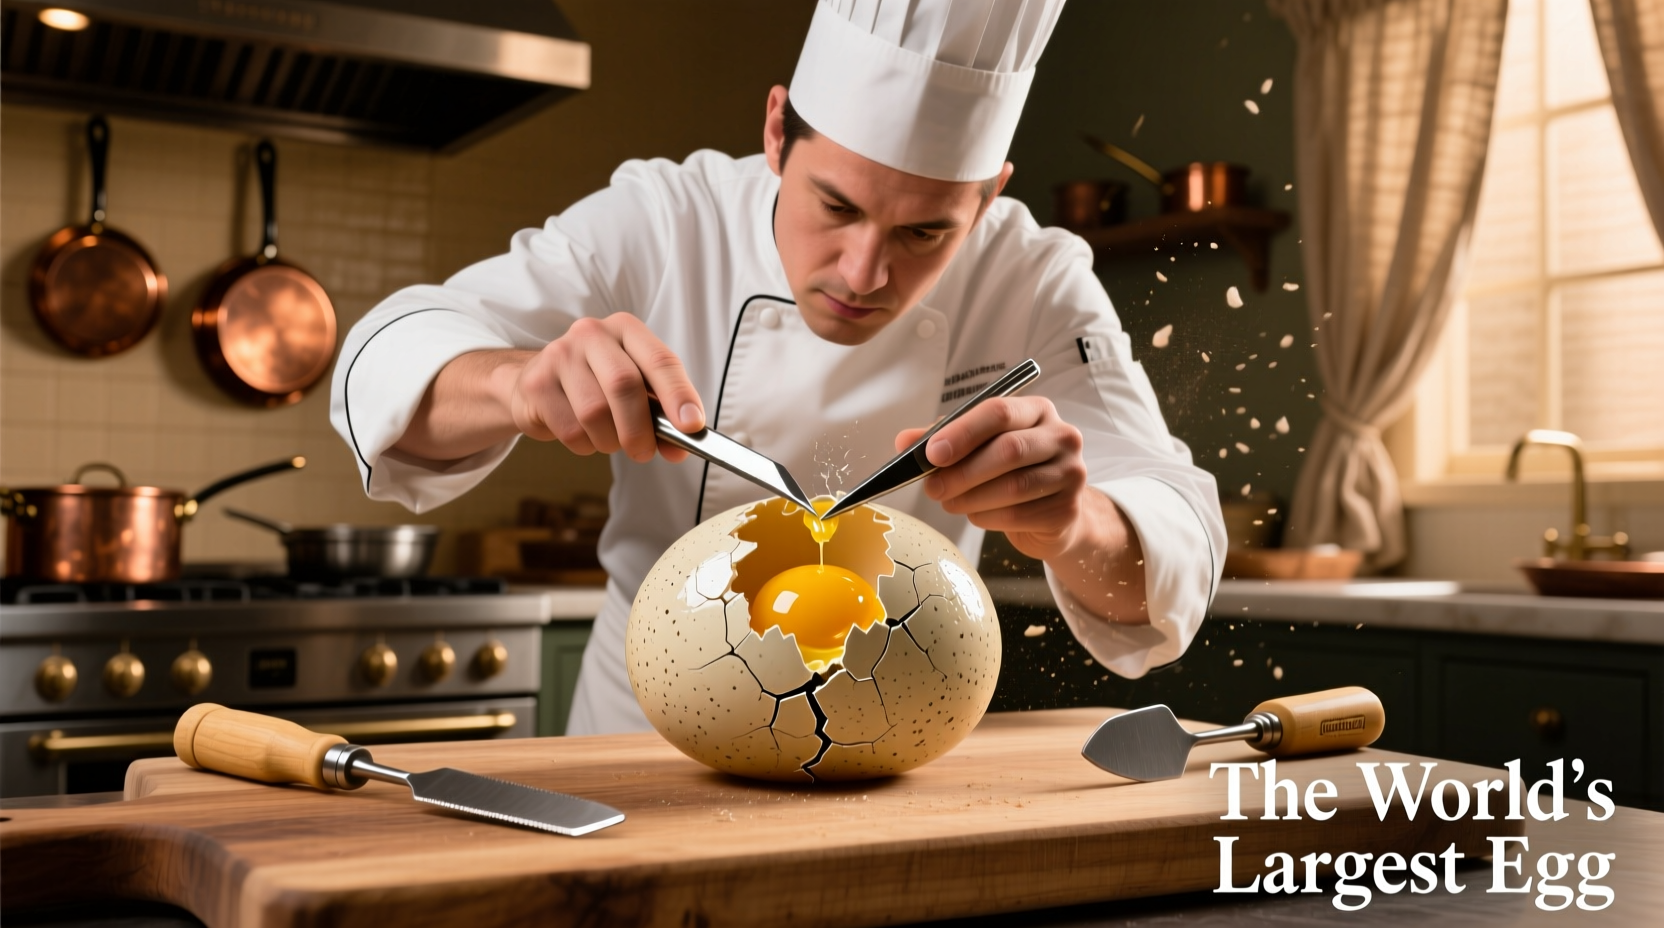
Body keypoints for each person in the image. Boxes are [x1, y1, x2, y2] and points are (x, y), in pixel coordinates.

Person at [331, 0, 1225, 735]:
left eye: (925, 232)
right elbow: (389, 353)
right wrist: (515, 384)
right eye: (834, 205)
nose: (863, 274)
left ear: (988, 198)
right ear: (775, 133)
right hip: (641, 744)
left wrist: (1074, 524)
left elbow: (1172, 538)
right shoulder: (665, 220)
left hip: (895, 747)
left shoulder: (1033, 274)